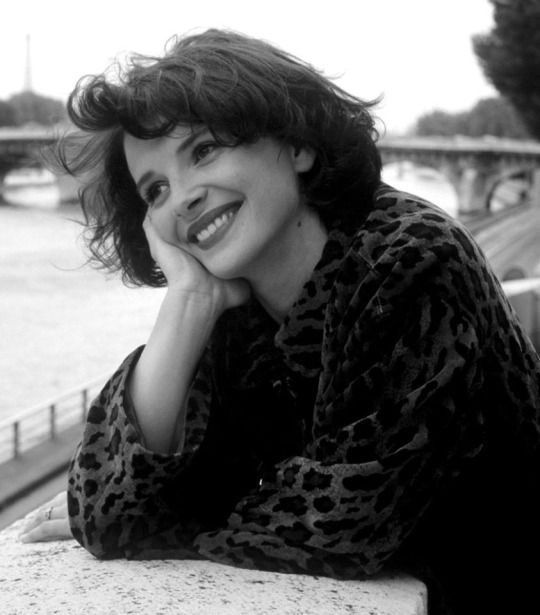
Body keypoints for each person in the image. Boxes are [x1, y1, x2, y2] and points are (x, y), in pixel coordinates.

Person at [19, 29, 540, 614]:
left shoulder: (409, 258)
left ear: (297, 145)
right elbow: (106, 513)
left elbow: (345, 524)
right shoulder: (237, 309)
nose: (183, 197)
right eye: (156, 190)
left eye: (205, 150)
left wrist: (167, 527)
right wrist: (187, 304)